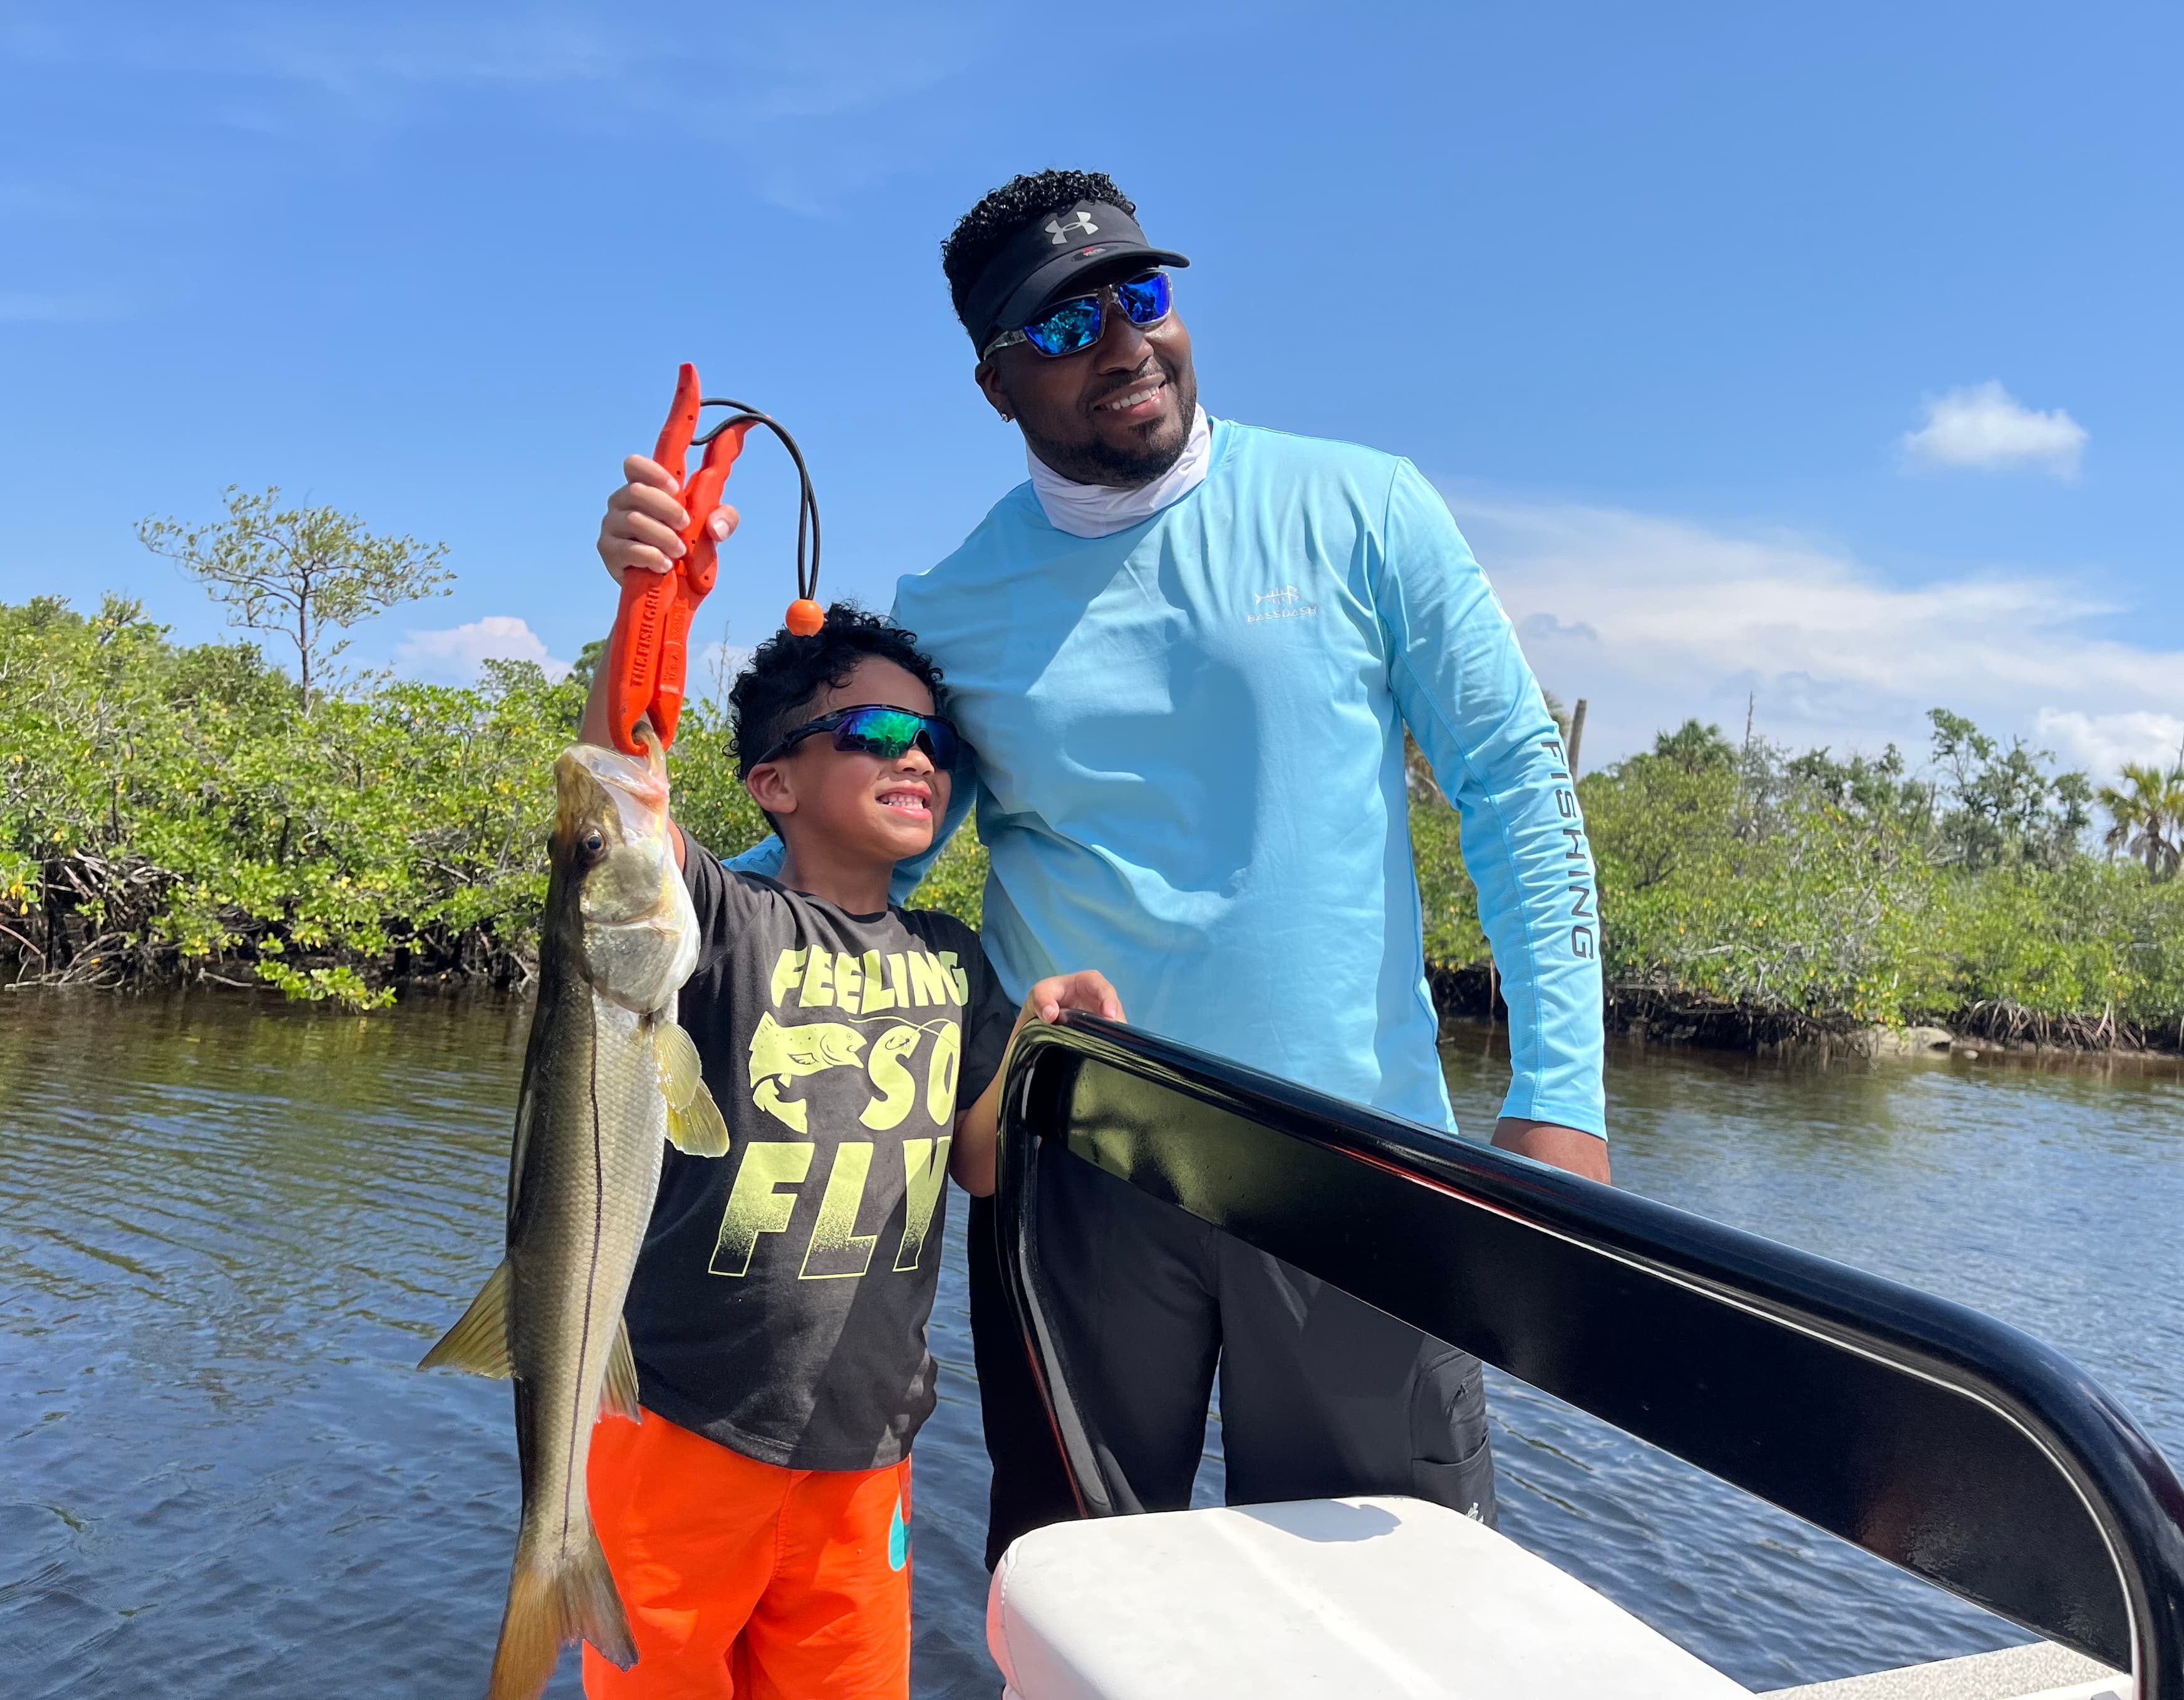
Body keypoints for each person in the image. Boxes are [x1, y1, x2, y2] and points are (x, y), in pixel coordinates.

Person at [623, 167, 1610, 1567]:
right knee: (1080, 1595)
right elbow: (842, 855)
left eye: (1141, 297)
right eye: (1064, 326)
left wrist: (1560, 1096)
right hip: (1072, 1166)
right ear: (995, 383)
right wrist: (647, 865)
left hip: (1354, 1155)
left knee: (1386, 1607)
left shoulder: (1364, 504)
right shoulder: (950, 613)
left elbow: (1515, 780)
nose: (1125, 344)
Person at [559, 583, 1120, 1698]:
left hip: (867, 1452)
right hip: (677, 1431)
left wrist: (1039, 1033)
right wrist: (650, 596)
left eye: (937, 742)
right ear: (775, 783)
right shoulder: (719, 920)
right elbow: (608, 810)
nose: (918, 758)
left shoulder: (954, 956)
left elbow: (981, 1165)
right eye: (878, 730)